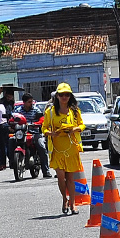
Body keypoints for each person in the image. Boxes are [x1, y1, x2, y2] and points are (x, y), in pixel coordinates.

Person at [42, 83, 85, 215]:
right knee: (61, 177)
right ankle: (64, 199)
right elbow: (44, 128)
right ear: (57, 96)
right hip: (57, 149)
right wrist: (51, 133)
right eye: (61, 95)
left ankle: (73, 203)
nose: (64, 97)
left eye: (67, 94)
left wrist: (74, 129)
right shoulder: (50, 112)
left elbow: (82, 125)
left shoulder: (75, 111)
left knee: (70, 178)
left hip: (71, 147)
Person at [15, 92, 50, 177]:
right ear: (24, 102)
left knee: (41, 146)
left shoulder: (36, 109)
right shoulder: (18, 111)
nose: (31, 104)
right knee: (11, 141)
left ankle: (46, 171)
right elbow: (14, 118)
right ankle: (13, 163)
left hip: (35, 132)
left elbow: (42, 118)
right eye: (29, 102)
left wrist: (36, 123)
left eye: (31, 102)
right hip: (22, 133)